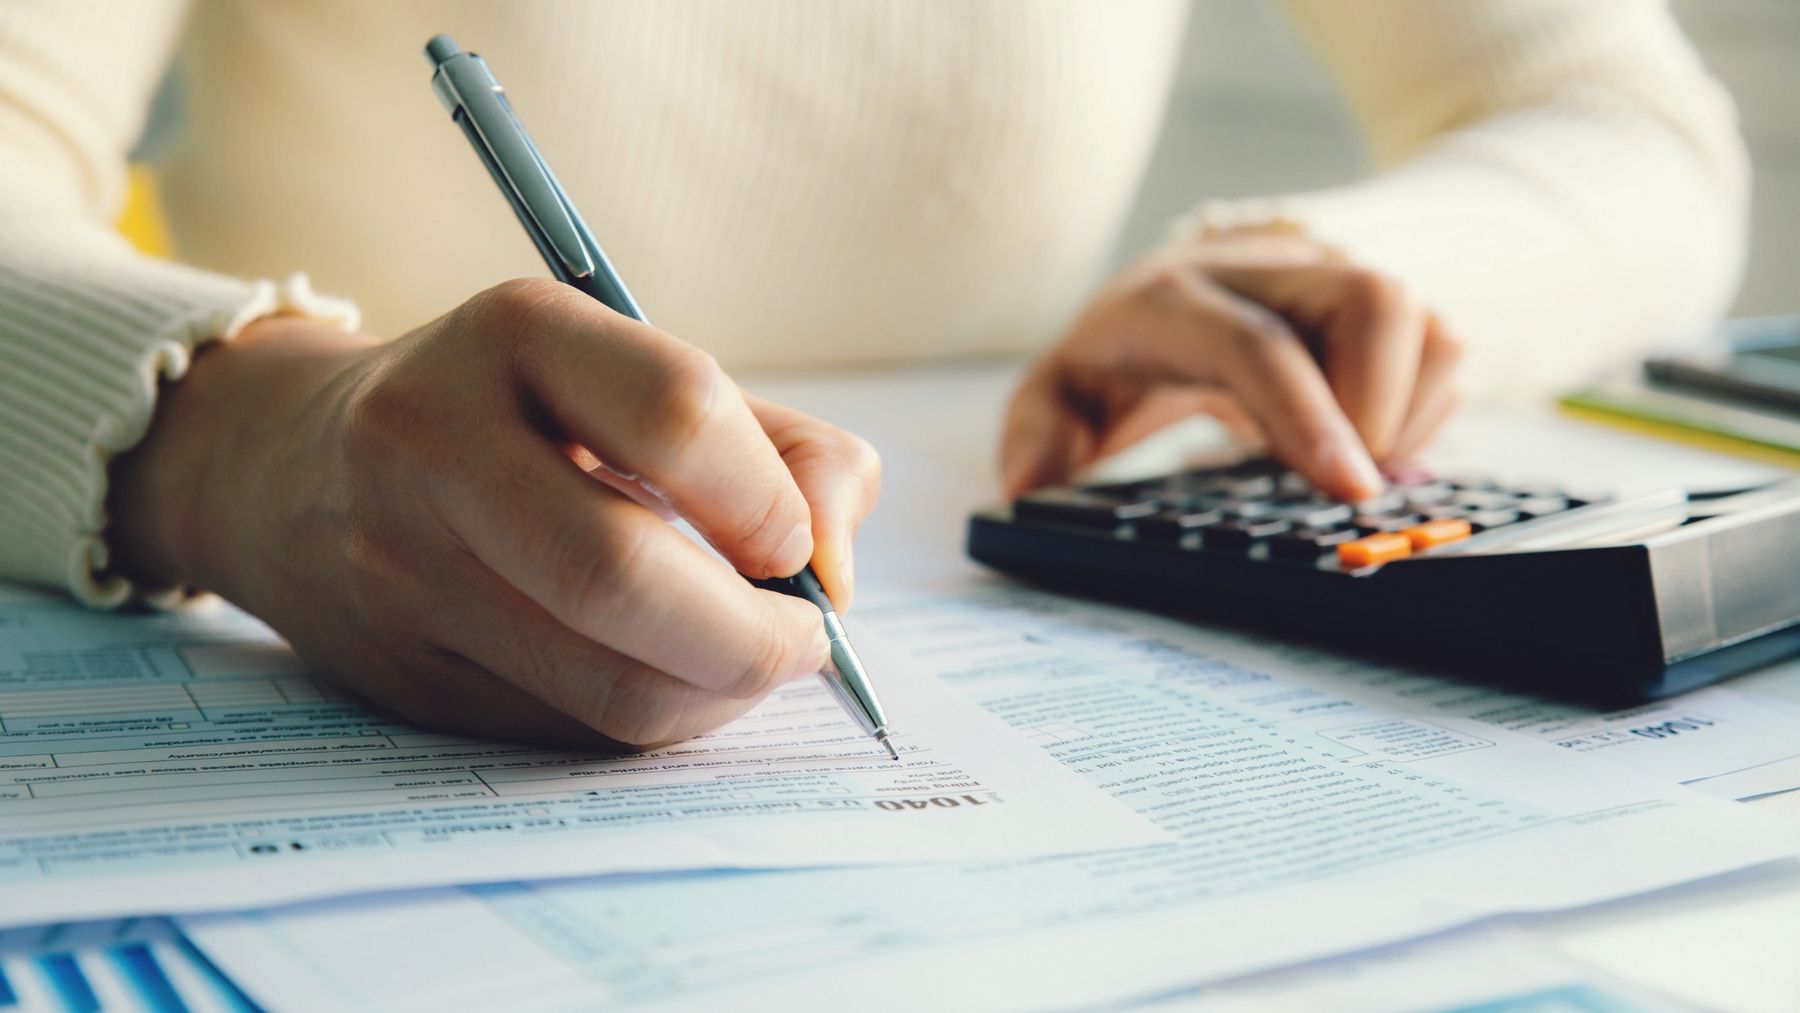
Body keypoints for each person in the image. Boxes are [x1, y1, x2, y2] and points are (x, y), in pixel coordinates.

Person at [0, 2, 1745, 748]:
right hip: (314, 593)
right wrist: (245, 429)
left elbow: (1624, 127)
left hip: (997, 557)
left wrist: (1350, 279)